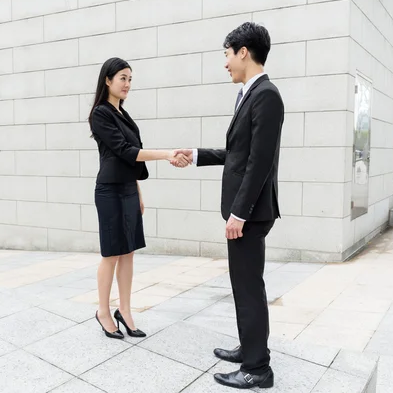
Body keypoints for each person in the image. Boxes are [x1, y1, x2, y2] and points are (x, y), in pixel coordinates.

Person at [173, 22, 284, 389]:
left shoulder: (267, 96)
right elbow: (238, 154)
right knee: (243, 285)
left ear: (243, 52)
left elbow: (260, 162)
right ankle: (249, 348)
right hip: (245, 211)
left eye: (227, 55)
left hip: (249, 214)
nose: (225, 63)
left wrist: (239, 212)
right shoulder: (248, 95)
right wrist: (196, 154)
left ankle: (258, 368)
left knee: (249, 286)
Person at [89, 57, 189, 339]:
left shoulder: (124, 115)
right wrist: (168, 153)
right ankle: (103, 311)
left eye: (130, 79)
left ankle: (126, 310)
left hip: (128, 190)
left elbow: (132, 158)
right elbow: (125, 151)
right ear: (107, 80)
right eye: (122, 78)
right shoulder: (100, 114)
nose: (127, 84)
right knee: (111, 253)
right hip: (109, 191)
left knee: (128, 251)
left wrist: (139, 191)